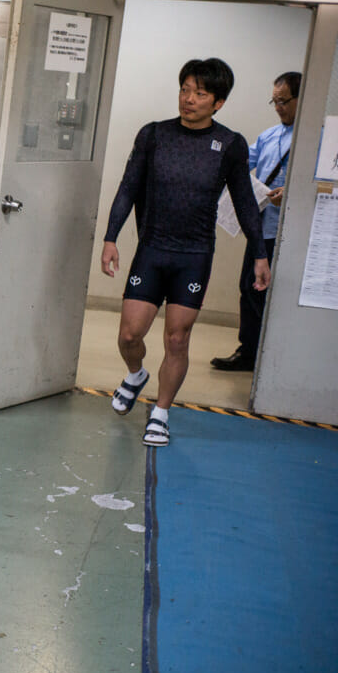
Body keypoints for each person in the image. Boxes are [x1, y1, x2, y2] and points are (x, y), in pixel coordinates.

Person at [100, 58, 269, 447]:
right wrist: (111, 238)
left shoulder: (229, 145)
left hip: (194, 255)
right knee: (129, 334)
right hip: (152, 249)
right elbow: (128, 187)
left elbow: (244, 202)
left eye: (200, 93)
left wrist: (259, 254)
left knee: (177, 338)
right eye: (185, 90)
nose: (189, 99)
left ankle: (160, 413)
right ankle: (135, 374)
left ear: (218, 102)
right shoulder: (154, 135)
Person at [211, 71, 300, 372]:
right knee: (249, 286)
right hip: (261, 226)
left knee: (279, 295)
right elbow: (240, 164)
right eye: (274, 101)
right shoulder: (269, 135)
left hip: (291, 233)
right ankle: (249, 351)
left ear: (302, 98)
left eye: (283, 101)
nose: (278, 107)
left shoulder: (318, 138)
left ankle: (276, 356)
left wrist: (291, 191)